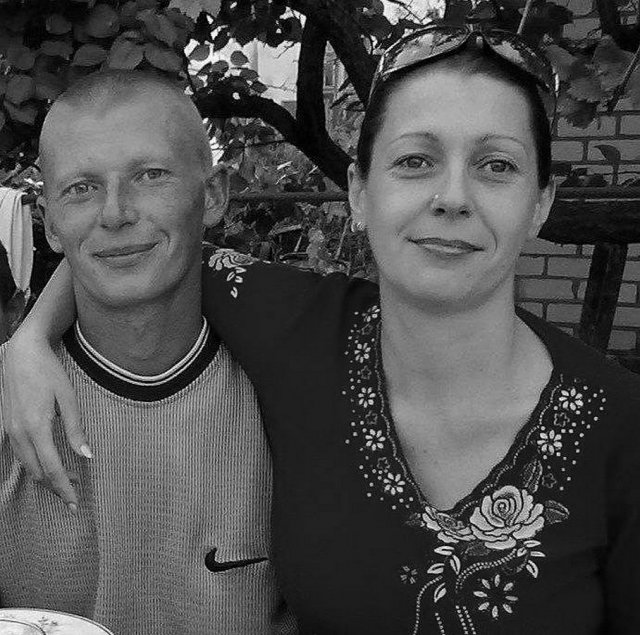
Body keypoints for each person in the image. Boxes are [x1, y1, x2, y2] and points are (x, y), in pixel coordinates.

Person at [5, 25, 640, 634]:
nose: (453, 197)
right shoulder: (300, 331)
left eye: (496, 165)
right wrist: (29, 342)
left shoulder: (621, 428)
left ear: (541, 202)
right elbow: (135, 251)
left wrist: (27, 336)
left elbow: (157, 233)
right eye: (415, 160)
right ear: (359, 192)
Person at [0, 70, 296, 634]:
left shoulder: (292, 396)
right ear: (50, 222)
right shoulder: (11, 399)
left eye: (150, 176)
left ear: (213, 195)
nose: (115, 213)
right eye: (81, 188)